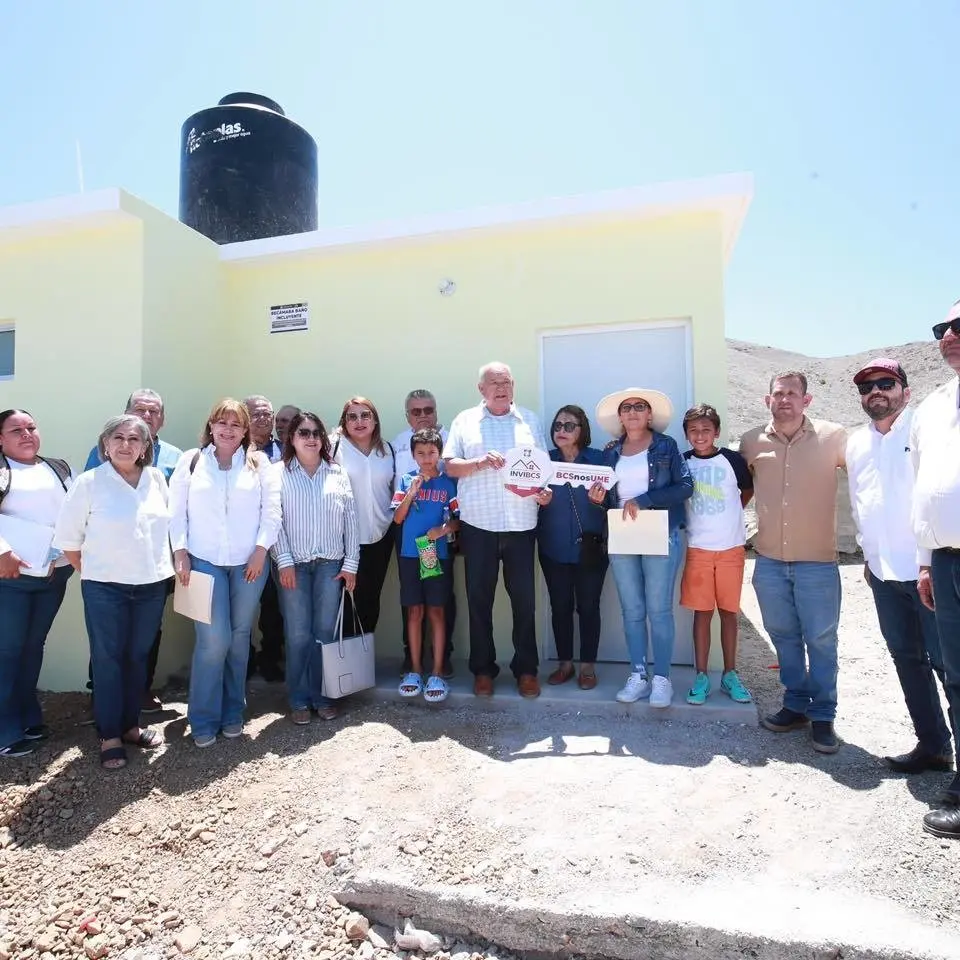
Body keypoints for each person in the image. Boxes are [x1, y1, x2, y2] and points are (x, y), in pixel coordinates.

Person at [847, 358, 953, 780]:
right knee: (907, 660)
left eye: (885, 383)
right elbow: (860, 503)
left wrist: (930, 563)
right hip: (883, 574)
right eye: (867, 386)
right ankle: (933, 746)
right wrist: (867, 556)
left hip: (928, 571)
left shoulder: (927, 429)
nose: (876, 391)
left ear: (905, 391)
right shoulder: (856, 443)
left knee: (948, 665)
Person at [54, 415, 173, 770]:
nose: (126, 444)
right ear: (104, 445)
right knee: (108, 660)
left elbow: (166, 530)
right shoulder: (90, 483)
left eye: (134, 439)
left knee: (138, 657)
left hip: (151, 586)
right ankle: (109, 735)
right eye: (117, 437)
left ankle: (131, 725)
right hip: (105, 588)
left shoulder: (155, 479)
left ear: (145, 446)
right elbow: (69, 539)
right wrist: (96, 572)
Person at [740, 371, 846, 754]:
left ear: (807, 400)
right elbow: (733, 487)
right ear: (768, 400)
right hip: (768, 561)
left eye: (792, 393)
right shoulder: (751, 442)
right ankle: (796, 704)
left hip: (817, 563)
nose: (785, 399)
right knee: (783, 637)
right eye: (778, 393)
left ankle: (823, 716)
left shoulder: (835, 438)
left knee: (820, 641)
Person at [169, 398, 281, 748]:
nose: (228, 430)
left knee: (237, 637)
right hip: (202, 562)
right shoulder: (191, 462)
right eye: (222, 423)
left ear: (245, 430)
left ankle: (233, 711)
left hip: (249, 564)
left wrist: (262, 550)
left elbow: (272, 511)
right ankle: (203, 717)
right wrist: (180, 554)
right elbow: (176, 514)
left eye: (236, 424)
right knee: (213, 640)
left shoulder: (259, 463)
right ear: (211, 426)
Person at [443, 362, 552, 699]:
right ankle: (483, 670)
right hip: (479, 525)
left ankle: (527, 670)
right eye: (494, 383)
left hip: (521, 524)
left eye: (506, 381)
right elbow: (449, 466)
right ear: (481, 389)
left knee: (524, 603)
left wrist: (544, 492)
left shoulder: (530, 420)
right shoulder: (464, 421)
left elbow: (542, 469)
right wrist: (478, 463)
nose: (501, 388)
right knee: (479, 601)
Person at [83, 388, 182, 712]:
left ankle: (140, 692)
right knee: (108, 639)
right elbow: (83, 511)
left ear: (162, 420)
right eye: (141, 409)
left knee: (147, 633)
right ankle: (102, 696)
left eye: (154, 412)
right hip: (109, 569)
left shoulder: (175, 458)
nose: (148, 416)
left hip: (154, 566)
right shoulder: (101, 455)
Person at [595, 388, 693, 708]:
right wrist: (598, 498)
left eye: (640, 406)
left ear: (649, 415)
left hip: (660, 531)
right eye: (627, 407)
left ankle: (662, 678)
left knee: (659, 609)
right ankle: (638, 674)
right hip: (623, 533)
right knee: (632, 609)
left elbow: (685, 486)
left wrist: (646, 500)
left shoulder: (666, 446)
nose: (633, 411)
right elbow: (609, 497)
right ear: (620, 416)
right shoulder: (610, 451)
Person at [272, 411, 359, 724]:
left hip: (330, 566)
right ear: (291, 439)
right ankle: (297, 699)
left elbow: (351, 520)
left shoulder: (337, 473)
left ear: (323, 439)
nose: (310, 438)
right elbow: (274, 521)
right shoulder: (277, 474)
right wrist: (283, 560)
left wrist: (351, 564)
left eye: (315, 433)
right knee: (297, 635)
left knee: (323, 633)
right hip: (292, 565)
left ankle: (322, 696)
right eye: (303, 433)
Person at [911, 300, 960, 839]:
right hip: (945, 563)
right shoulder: (933, 406)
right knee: (957, 675)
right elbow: (926, 484)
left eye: (959, 326)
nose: (948, 334)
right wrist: (926, 561)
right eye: (942, 327)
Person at [0, 410, 73, 759]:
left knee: (32, 647)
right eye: (16, 430)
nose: (26, 434)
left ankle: (28, 718)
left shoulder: (58, 467)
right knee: (7, 650)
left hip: (53, 574)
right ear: (0, 438)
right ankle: (5, 729)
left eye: (31, 427)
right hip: (10, 578)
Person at [679, 404, 753, 705]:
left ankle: (730, 674)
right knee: (702, 612)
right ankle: (701, 675)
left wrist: (732, 517)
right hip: (698, 548)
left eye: (706, 430)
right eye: (694, 431)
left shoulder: (732, 460)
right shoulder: (683, 463)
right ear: (686, 435)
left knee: (729, 612)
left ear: (717, 432)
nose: (700, 435)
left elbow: (747, 490)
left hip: (731, 548)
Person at [536, 405, 608, 690]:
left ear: (582, 431)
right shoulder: (544, 463)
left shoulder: (600, 460)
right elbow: (527, 498)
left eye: (569, 426)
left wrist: (600, 501)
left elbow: (615, 502)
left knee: (589, 607)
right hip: (552, 548)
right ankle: (565, 664)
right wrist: (537, 500)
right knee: (560, 607)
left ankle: (587, 666)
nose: (561, 431)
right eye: (557, 426)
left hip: (589, 549)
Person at [392, 428, 459, 703]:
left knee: (437, 612)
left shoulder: (448, 484)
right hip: (410, 555)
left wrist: (443, 530)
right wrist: (411, 493)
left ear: (439, 454)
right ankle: (415, 671)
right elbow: (397, 519)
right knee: (414, 612)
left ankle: (438, 673)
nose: (427, 458)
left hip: (436, 554)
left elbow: (458, 520)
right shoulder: (406, 481)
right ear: (413, 455)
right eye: (420, 453)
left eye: (432, 452)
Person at [332, 396, 396, 634]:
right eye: (352, 417)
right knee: (345, 602)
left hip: (380, 537)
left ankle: (362, 659)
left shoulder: (387, 450)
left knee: (371, 598)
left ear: (375, 420)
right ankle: (342, 666)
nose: (359, 421)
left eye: (365, 415)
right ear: (344, 422)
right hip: (345, 539)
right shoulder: (335, 448)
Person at [244, 394, 284, 681]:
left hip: (276, 540)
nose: (263, 419)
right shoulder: (232, 450)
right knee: (241, 607)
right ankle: (243, 659)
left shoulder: (285, 450)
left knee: (273, 604)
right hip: (240, 539)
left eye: (267, 413)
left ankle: (271, 657)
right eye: (256, 414)